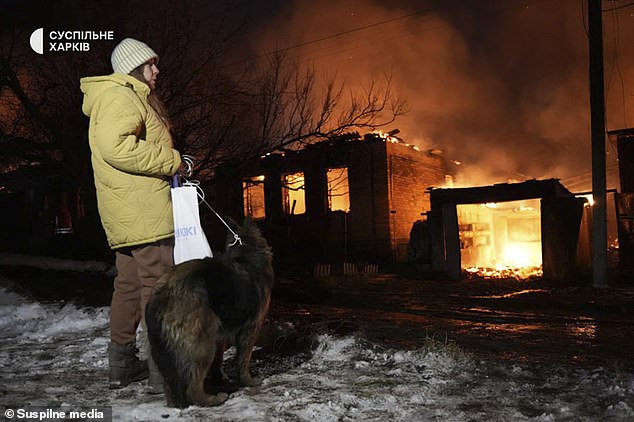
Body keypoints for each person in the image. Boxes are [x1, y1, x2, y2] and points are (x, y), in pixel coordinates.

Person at [80, 38, 181, 391]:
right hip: (144, 215)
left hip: (129, 215)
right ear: (134, 67)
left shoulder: (120, 97)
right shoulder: (122, 96)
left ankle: (121, 366)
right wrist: (173, 161)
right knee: (158, 289)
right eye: (150, 64)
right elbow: (116, 146)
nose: (157, 70)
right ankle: (162, 372)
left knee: (128, 287)